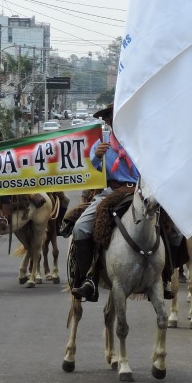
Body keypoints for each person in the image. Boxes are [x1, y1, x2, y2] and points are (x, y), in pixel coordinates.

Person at [69, 105, 142, 303]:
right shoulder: (101, 144)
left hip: (139, 191)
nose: (115, 122)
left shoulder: (140, 140)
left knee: (173, 227)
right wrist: (97, 156)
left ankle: (166, 275)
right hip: (112, 192)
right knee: (80, 228)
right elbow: (94, 168)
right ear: (108, 122)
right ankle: (88, 279)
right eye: (111, 119)